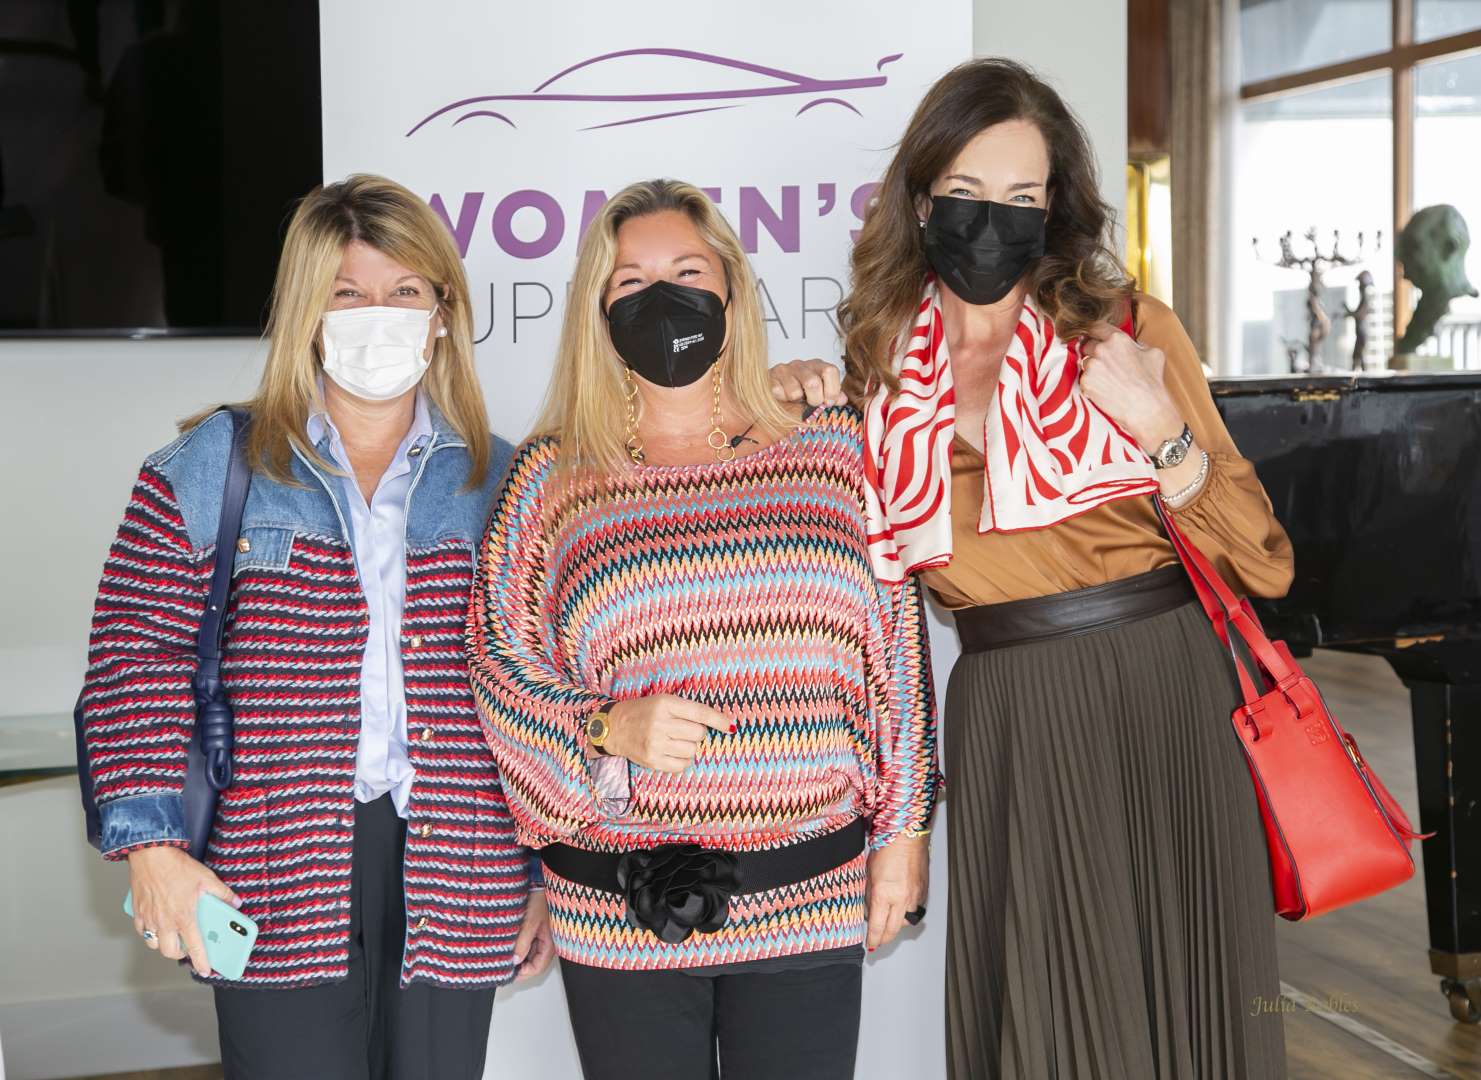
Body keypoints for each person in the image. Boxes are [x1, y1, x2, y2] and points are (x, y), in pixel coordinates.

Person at [772, 59, 1295, 1079]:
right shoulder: (878, 364)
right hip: (1009, 707)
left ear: (1054, 208)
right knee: (1046, 1009)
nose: (992, 222)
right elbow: (851, 573)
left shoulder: (1127, 332)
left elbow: (1261, 559)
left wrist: (1158, 425)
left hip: (1165, 690)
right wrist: (789, 396)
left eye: (1021, 197)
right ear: (920, 200)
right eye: (967, 193)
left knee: (1187, 991)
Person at [78, 174, 552, 1080]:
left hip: (461, 865)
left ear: (442, 313)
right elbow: (133, 661)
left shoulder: (502, 478)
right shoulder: (212, 464)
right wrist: (151, 848)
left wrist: (538, 877)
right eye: (347, 294)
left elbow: (534, 687)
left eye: (404, 291)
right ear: (307, 311)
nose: (379, 316)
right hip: (272, 864)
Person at [465, 178, 938, 1080]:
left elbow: (898, 657)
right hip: (618, 906)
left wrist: (904, 834)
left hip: (810, 891)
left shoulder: (833, 444)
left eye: (686, 272)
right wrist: (604, 724)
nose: (663, 299)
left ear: (729, 286)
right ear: (598, 311)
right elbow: (496, 665)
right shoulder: (549, 478)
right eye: (631, 283)